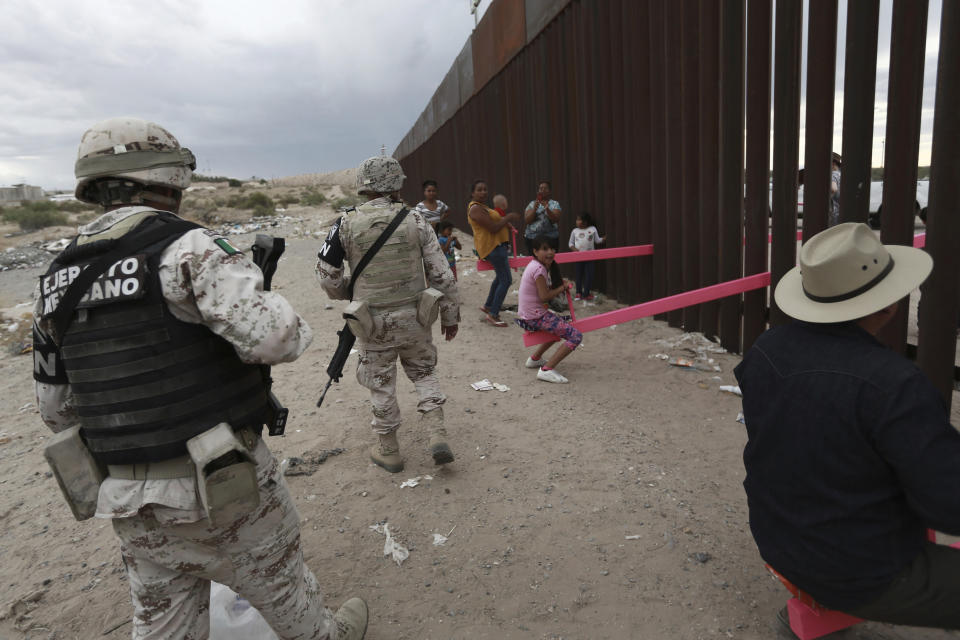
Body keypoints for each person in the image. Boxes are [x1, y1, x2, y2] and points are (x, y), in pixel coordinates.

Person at [31, 117, 367, 640]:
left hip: (127, 495)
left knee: (163, 621)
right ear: (168, 176)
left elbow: (55, 409)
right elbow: (278, 339)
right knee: (284, 591)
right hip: (219, 480)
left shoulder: (54, 277)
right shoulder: (188, 248)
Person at [734, 222, 960, 631]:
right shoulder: (895, 385)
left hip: (777, 537)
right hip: (859, 569)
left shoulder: (766, 349)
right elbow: (947, 504)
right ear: (889, 305)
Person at [316, 156, 461, 474]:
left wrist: (348, 293)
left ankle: (389, 450)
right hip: (415, 318)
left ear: (363, 186)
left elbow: (327, 276)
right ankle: (437, 433)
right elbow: (442, 275)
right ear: (397, 183)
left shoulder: (345, 222)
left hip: (372, 322)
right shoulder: (416, 220)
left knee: (381, 383)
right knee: (424, 373)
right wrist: (450, 316)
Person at [514, 235, 582, 384]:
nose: (550, 252)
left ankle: (534, 359)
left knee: (558, 327)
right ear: (535, 251)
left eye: (552, 248)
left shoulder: (535, 265)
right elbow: (544, 296)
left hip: (531, 313)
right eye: (545, 249)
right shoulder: (539, 269)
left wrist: (558, 287)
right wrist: (562, 288)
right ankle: (547, 370)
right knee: (575, 336)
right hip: (534, 316)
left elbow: (542, 291)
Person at [467, 180, 521, 327]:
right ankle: (493, 314)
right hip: (493, 247)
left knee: (500, 277)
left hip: (496, 246)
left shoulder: (483, 207)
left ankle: (489, 306)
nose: (483, 192)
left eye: (485, 189)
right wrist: (508, 218)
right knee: (506, 280)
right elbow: (493, 228)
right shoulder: (476, 208)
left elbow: (496, 223)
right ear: (472, 193)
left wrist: (505, 221)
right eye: (479, 190)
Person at [567, 212, 605, 301]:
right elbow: (570, 243)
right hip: (578, 257)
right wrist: (574, 249)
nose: (577, 221)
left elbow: (597, 240)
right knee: (579, 275)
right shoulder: (575, 231)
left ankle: (586, 294)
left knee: (589, 275)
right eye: (577, 219)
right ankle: (578, 293)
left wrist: (604, 238)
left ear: (585, 222)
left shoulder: (592, 229)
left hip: (590, 257)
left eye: (579, 219)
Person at [523, 180, 562, 254]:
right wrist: (534, 209)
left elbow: (555, 219)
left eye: (545, 188)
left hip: (550, 238)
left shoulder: (555, 204)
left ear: (549, 191)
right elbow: (527, 220)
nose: (543, 190)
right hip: (533, 238)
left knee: (550, 261)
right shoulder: (532, 204)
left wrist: (547, 209)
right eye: (541, 188)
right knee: (535, 262)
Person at [829, 152, 842, 227]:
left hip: (835, 215)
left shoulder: (833, 175)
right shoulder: (841, 174)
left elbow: (833, 188)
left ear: (833, 163)